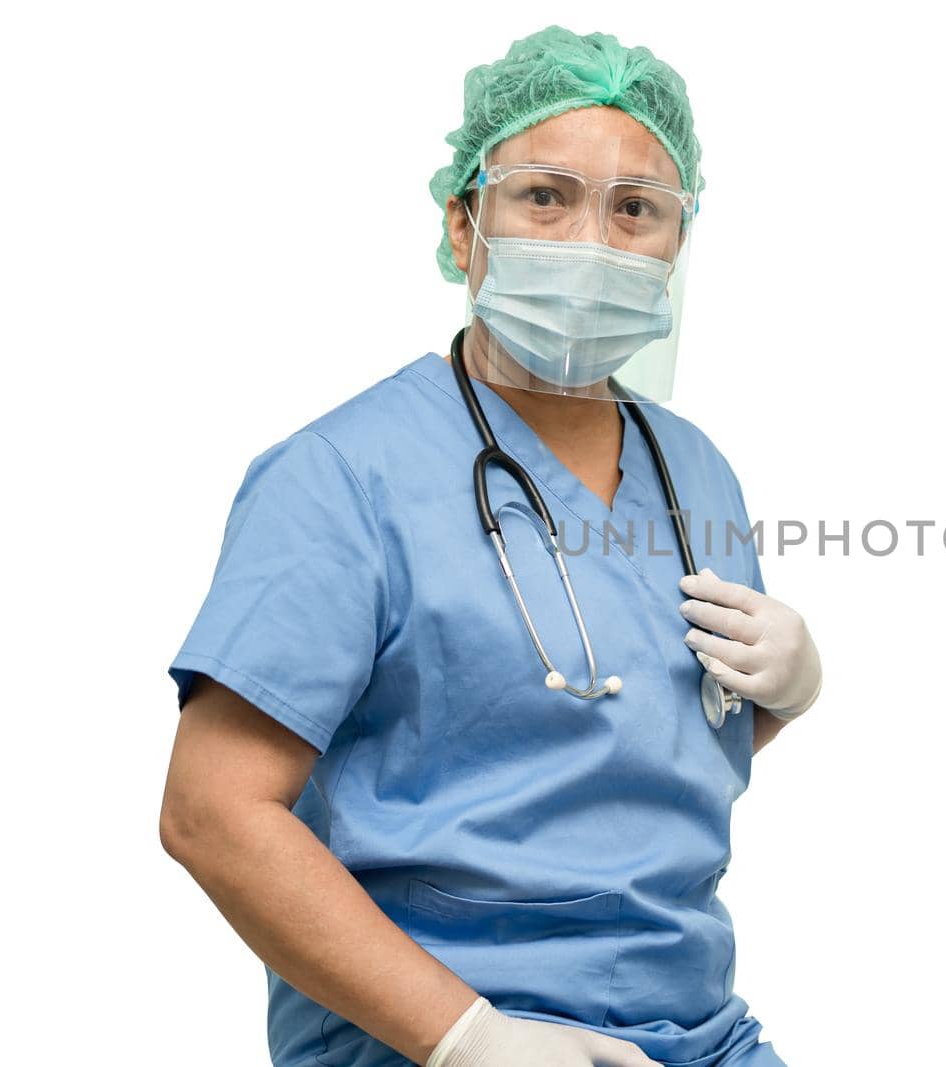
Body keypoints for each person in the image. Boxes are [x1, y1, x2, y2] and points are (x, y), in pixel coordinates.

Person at [159, 26, 821, 1067]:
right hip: (424, 1033)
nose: (591, 241)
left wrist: (785, 692)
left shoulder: (696, 471)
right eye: (545, 196)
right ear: (465, 223)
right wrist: (469, 1036)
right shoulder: (341, 476)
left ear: (677, 242)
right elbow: (212, 811)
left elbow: (632, 736)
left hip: (693, 1028)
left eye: (636, 209)